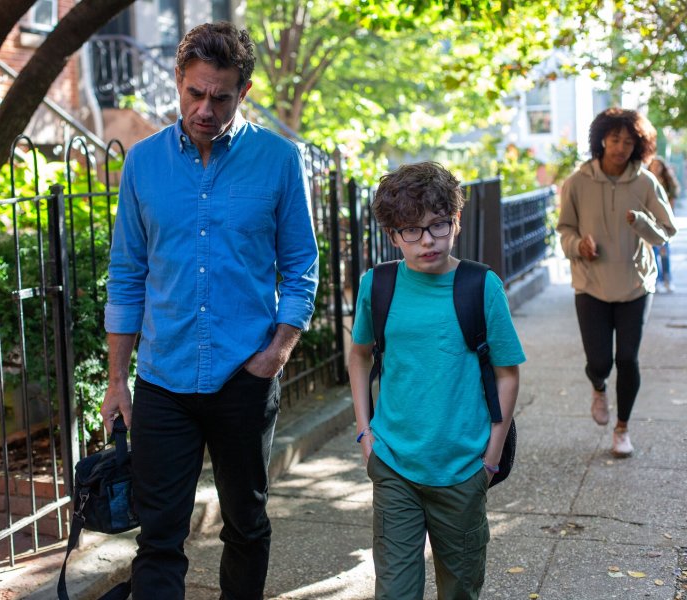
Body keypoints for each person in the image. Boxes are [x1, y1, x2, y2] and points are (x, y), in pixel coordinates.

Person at [100, 22, 319, 599]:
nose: (205, 109)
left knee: (245, 525)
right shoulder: (143, 163)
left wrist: (276, 353)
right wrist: (118, 379)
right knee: (158, 537)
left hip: (244, 375)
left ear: (243, 91)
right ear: (178, 80)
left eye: (221, 97)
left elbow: (301, 265)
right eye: (195, 93)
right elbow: (126, 273)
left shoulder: (278, 160)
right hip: (163, 380)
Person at [347, 162, 525, 599]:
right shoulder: (378, 285)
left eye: (438, 225)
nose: (427, 240)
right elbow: (360, 356)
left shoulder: (481, 286)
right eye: (411, 230)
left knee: (460, 588)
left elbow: (507, 374)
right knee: (395, 592)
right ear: (393, 235)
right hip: (394, 464)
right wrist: (366, 434)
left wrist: (490, 459)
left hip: (463, 467)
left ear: (455, 222)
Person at [557, 108, 677, 458]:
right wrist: (578, 246)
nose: (621, 147)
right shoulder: (577, 182)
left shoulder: (646, 182)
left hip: (635, 284)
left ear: (639, 146)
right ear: (602, 140)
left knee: (627, 358)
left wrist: (641, 223)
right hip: (590, 284)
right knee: (599, 362)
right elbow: (565, 229)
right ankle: (598, 386)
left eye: (629, 142)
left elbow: (665, 234)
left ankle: (622, 428)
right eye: (615, 139)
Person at [647, 155, 681, 292]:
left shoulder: (667, 183)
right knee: (653, 252)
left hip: (663, 222)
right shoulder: (646, 181)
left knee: (664, 252)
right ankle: (658, 280)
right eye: (653, 165)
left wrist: (668, 222)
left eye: (658, 165)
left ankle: (667, 280)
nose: (656, 168)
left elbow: (671, 203)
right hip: (650, 221)